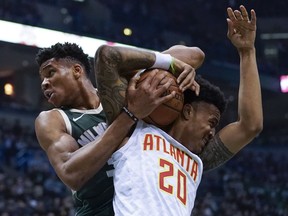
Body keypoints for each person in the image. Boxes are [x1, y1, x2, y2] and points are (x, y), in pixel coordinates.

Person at [94, 5, 262, 215]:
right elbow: (107, 56)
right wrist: (171, 64)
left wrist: (247, 52)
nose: (213, 132)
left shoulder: (198, 157)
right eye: (211, 122)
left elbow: (251, 125)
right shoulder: (131, 128)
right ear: (188, 111)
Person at [34, 42, 197, 215]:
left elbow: (195, 55)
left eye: (50, 73)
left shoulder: (122, 90)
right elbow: (71, 173)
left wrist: (169, 63)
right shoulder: (53, 119)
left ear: (77, 70)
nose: (44, 83)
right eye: (42, 79)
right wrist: (130, 115)